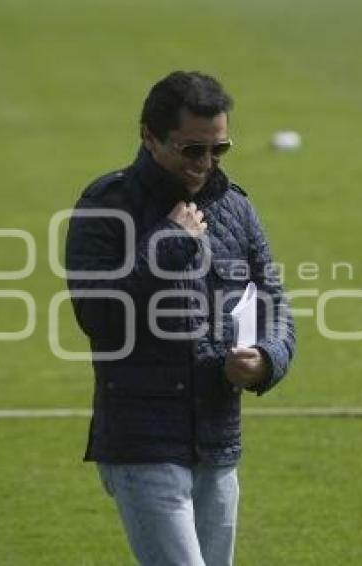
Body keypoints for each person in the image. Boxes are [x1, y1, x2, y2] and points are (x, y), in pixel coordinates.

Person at [65, 71, 295, 565]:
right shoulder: (105, 207)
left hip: (217, 443)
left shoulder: (236, 210)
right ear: (148, 136)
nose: (206, 164)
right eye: (192, 150)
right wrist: (169, 244)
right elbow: (99, 317)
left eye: (219, 150)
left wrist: (266, 360)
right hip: (142, 444)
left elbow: (274, 304)